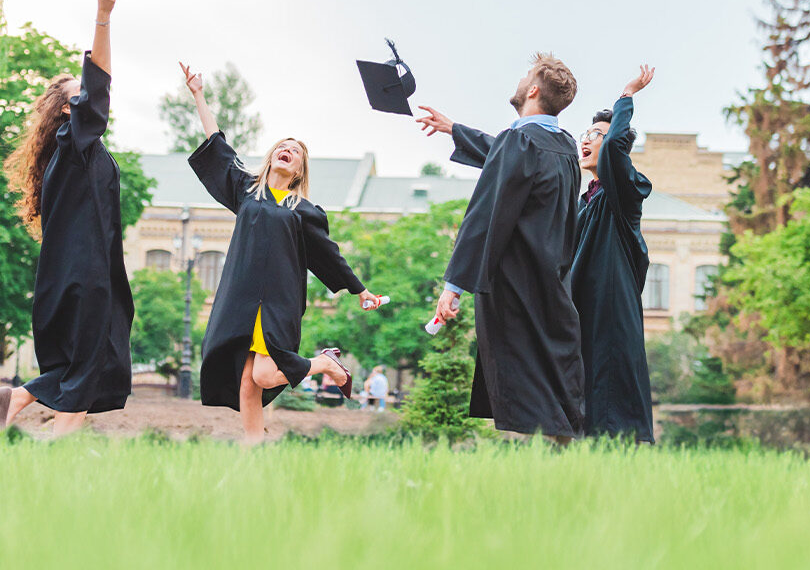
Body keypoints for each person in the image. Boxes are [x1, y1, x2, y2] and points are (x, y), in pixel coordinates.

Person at [179, 63, 386, 443]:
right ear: (272, 157)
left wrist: (360, 290)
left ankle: (325, 363)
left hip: (277, 301)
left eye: (295, 152)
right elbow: (217, 146)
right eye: (282, 147)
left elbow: (329, 255)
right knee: (247, 381)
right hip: (240, 299)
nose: (287, 151)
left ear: (299, 171)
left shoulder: (303, 211)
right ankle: (253, 446)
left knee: (262, 375)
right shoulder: (246, 189)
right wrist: (199, 95)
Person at [0, 0, 132, 434]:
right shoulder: (75, 143)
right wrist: (103, 17)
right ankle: (47, 428)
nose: (89, 97)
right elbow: (100, 82)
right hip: (85, 274)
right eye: (79, 94)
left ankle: (30, 414)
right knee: (92, 358)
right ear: (68, 110)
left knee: (92, 359)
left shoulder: (69, 152)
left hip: (76, 273)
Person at [415, 53, 585, 441]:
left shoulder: (520, 141)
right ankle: (564, 455)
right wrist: (454, 129)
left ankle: (552, 456)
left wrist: (454, 285)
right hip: (553, 283)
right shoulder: (563, 146)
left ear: (534, 90)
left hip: (515, 283)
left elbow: (485, 213)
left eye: (526, 76)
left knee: (522, 377)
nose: (521, 80)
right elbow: (508, 159)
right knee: (552, 376)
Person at [570, 65, 658, 443]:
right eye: (586, 134)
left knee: (614, 404)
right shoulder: (582, 202)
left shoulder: (622, 194)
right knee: (582, 396)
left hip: (612, 314)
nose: (587, 140)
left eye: (596, 135)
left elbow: (617, 147)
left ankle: (622, 464)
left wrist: (626, 96)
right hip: (582, 313)